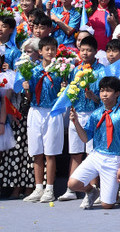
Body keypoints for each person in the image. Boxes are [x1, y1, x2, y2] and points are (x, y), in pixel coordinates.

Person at [67, 76, 120, 210]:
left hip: (113, 159)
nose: (104, 94)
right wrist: (75, 122)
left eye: (108, 91)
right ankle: (91, 191)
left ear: (117, 93)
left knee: (107, 205)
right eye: (102, 91)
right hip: (96, 155)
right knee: (72, 183)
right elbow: (85, 138)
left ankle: (111, 193)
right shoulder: (96, 114)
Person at [58, 36, 104, 204]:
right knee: (75, 152)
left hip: (94, 114)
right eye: (82, 50)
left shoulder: (101, 71)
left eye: (89, 50)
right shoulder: (73, 70)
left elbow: (105, 98)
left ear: (95, 51)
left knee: (91, 153)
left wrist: (94, 97)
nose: (85, 53)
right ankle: (71, 189)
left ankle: (94, 188)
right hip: (76, 114)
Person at [21, 36, 63, 203]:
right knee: (37, 151)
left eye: (53, 49)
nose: (50, 52)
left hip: (52, 112)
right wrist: (26, 89)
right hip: (36, 111)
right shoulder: (32, 70)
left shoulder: (61, 70)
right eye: (47, 49)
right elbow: (30, 94)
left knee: (50, 152)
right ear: (40, 51)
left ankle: (50, 189)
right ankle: (39, 188)